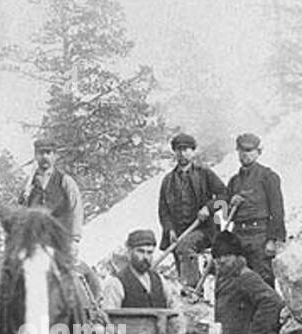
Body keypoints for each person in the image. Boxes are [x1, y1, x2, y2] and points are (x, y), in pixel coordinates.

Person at [157, 133, 228, 291]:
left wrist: (208, 208)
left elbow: (224, 195)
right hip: (179, 232)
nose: (182, 153)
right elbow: (163, 211)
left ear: (193, 152)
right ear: (174, 153)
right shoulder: (168, 181)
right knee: (180, 253)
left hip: (204, 230)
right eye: (179, 150)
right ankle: (189, 294)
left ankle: (192, 292)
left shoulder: (204, 174)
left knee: (185, 246)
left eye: (186, 149)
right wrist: (169, 230)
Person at [225, 132, 285, 289]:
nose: (246, 155)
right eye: (242, 151)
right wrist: (231, 204)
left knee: (263, 281)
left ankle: (270, 313)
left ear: (259, 152)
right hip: (239, 235)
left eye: (250, 150)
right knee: (240, 283)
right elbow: (226, 216)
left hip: (260, 235)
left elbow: (277, 210)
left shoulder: (268, 176)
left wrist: (272, 240)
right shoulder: (233, 181)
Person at [19, 138, 83, 255]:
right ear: (35, 156)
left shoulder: (65, 181)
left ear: (55, 156)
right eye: (40, 153)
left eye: (48, 153)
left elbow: (76, 209)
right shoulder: (29, 184)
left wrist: (75, 239)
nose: (44, 157)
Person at [102, 228, 180, 309]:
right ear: (129, 252)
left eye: (149, 252)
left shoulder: (160, 281)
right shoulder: (116, 283)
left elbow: (174, 311)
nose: (145, 257)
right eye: (140, 251)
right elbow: (108, 318)